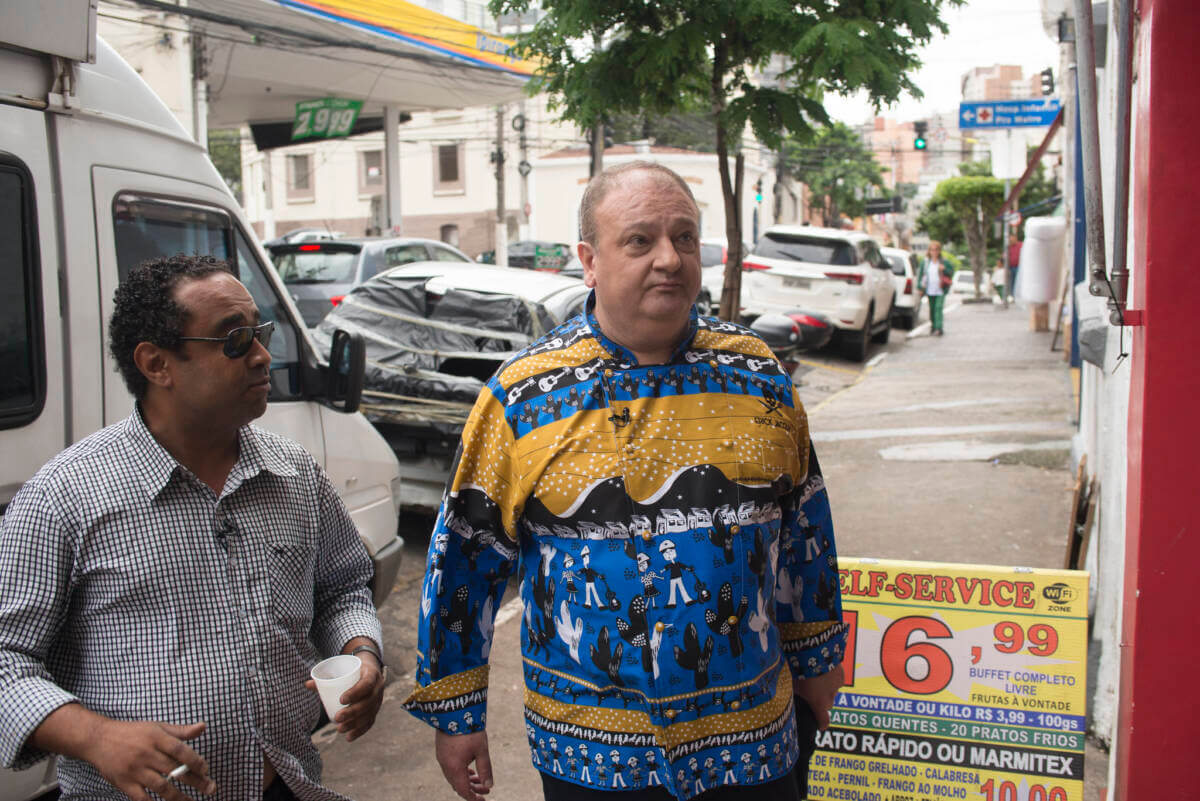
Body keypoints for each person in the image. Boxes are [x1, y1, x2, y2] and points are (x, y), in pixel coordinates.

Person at [403, 162, 847, 801]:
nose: (669, 258)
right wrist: (456, 712)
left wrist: (818, 666)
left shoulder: (760, 377)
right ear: (588, 260)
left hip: (754, 744)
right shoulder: (522, 396)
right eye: (640, 240)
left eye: (685, 238)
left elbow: (807, 536)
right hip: (589, 753)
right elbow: (466, 558)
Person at [0, 255, 386, 801]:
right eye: (233, 341)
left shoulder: (294, 474)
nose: (261, 357)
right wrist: (96, 737)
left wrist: (362, 651)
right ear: (157, 364)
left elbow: (342, 587)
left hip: (287, 784)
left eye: (260, 332)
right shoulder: (66, 496)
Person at [915, 240, 952, 336]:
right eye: (932, 250)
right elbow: (921, 275)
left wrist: (944, 269)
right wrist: (919, 287)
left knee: (938, 308)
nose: (934, 252)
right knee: (932, 309)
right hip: (930, 289)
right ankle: (933, 326)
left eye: (936, 250)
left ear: (939, 251)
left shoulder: (944, 262)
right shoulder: (926, 262)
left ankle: (939, 328)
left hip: (941, 289)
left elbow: (950, 273)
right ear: (929, 251)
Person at [1006, 232, 1022, 301]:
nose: (1011, 240)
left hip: (1019, 266)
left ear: (1016, 238)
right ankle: (1013, 295)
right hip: (1011, 266)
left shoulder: (1021, 245)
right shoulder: (1008, 247)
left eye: (1012, 238)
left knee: (1018, 280)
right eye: (1010, 239)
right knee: (1012, 281)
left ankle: (1018, 295)